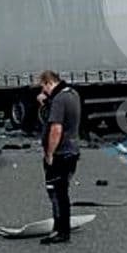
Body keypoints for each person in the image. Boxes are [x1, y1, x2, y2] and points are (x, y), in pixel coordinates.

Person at [36, 70, 81, 244]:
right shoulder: (71, 94)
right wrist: (46, 102)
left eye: (43, 87)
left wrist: (49, 153)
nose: (43, 91)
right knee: (62, 190)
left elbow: (56, 128)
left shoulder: (59, 100)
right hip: (72, 150)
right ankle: (61, 228)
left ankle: (61, 231)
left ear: (49, 83)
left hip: (60, 153)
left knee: (56, 192)